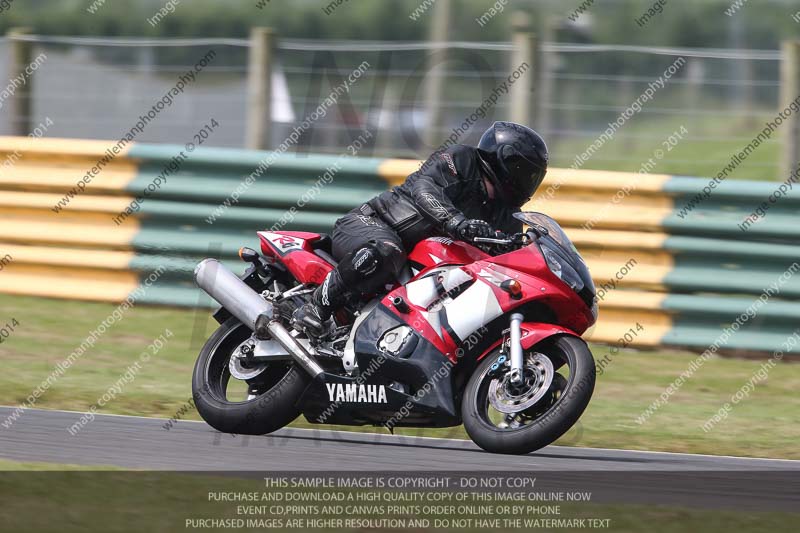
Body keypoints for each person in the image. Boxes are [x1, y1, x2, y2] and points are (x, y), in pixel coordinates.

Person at [291, 121, 549, 337]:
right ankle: (315, 307)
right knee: (387, 250)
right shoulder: (460, 159)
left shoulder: (505, 214)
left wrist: (525, 248)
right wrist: (456, 223)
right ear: (505, 160)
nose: (528, 182)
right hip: (372, 224)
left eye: (533, 177)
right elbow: (425, 189)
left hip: (417, 267)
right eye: (525, 172)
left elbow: (504, 255)